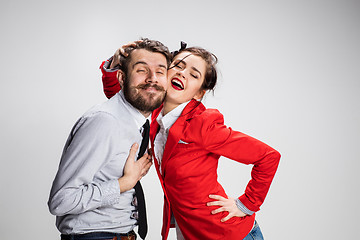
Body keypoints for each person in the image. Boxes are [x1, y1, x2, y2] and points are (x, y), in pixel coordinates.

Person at [100, 41, 281, 239]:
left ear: (199, 93)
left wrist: (246, 204)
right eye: (178, 65)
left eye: (194, 75)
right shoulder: (154, 113)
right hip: (190, 232)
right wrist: (114, 64)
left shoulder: (203, 124)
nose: (182, 73)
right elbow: (121, 100)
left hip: (227, 234)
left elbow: (268, 157)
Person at [48, 38, 172, 240]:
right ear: (122, 78)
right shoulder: (105, 122)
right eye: (141, 70)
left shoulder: (135, 118)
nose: (152, 78)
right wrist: (124, 183)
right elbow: (61, 201)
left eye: (160, 71)